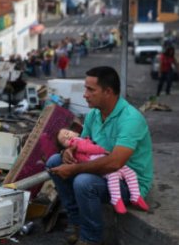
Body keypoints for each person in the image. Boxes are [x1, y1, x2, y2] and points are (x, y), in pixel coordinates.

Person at [46, 66, 153, 245]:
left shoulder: (130, 119)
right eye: (85, 89)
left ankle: (90, 239)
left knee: (83, 182)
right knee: (53, 162)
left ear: (108, 92)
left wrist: (74, 168)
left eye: (90, 90)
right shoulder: (94, 114)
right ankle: (77, 223)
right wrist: (69, 152)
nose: (85, 95)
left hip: (127, 181)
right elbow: (82, 143)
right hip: (102, 171)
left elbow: (115, 162)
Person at [56, 128, 149, 214]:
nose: (67, 137)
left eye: (67, 133)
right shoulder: (76, 142)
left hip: (101, 159)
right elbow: (89, 148)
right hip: (96, 161)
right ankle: (116, 199)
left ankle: (136, 196)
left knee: (129, 172)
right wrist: (103, 150)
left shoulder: (80, 139)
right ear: (65, 146)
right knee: (113, 175)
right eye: (64, 140)